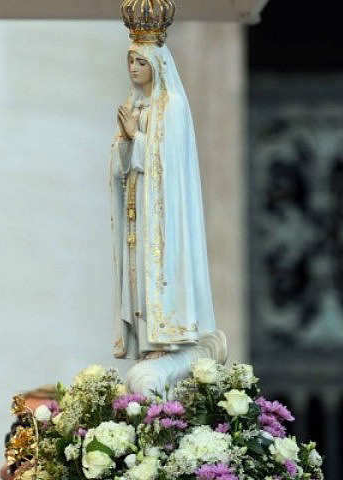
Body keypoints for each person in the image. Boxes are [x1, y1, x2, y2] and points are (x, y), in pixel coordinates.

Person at [109, 10, 225, 394]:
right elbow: (120, 167)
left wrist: (137, 139)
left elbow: (168, 166)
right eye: (130, 60)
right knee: (138, 275)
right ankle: (148, 343)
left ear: (157, 64)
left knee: (157, 271)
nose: (134, 68)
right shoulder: (136, 106)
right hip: (138, 216)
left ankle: (168, 342)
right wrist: (126, 143)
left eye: (140, 61)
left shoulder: (171, 104)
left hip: (163, 217)